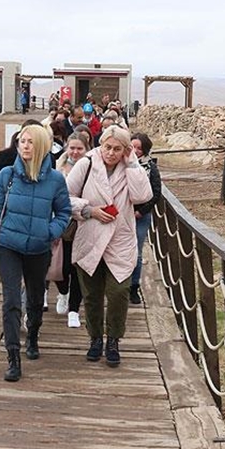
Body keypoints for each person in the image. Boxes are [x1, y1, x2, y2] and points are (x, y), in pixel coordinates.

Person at [0, 124, 72, 382]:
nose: (25, 145)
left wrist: (50, 231)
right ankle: (13, 357)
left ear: (40, 145)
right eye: (22, 141)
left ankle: (32, 336)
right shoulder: (7, 175)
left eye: (30, 141)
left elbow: (64, 212)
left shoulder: (55, 180)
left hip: (39, 248)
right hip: (9, 245)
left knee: (34, 298)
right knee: (11, 301)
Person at [65, 125, 152, 367]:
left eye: (117, 149)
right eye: (107, 147)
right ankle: (95, 339)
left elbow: (143, 196)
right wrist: (89, 210)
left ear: (125, 150)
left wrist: (133, 164)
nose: (111, 153)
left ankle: (113, 339)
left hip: (120, 239)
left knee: (118, 293)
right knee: (91, 294)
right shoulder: (87, 164)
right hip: (91, 235)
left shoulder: (130, 168)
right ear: (100, 145)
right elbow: (64, 196)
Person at [55, 132, 92, 328]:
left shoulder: (93, 169)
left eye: (80, 148)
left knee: (78, 267)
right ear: (66, 147)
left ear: (86, 149)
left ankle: (74, 310)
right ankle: (62, 292)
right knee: (62, 266)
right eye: (72, 148)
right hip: (62, 222)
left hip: (85, 222)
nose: (75, 152)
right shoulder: (57, 166)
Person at [129, 132, 162, 305]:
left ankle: (133, 287)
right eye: (132, 147)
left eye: (139, 148)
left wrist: (141, 212)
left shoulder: (151, 167)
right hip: (122, 214)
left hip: (141, 215)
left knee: (137, 252)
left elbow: (156, 193)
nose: (135, 151)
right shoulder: (122, 164)